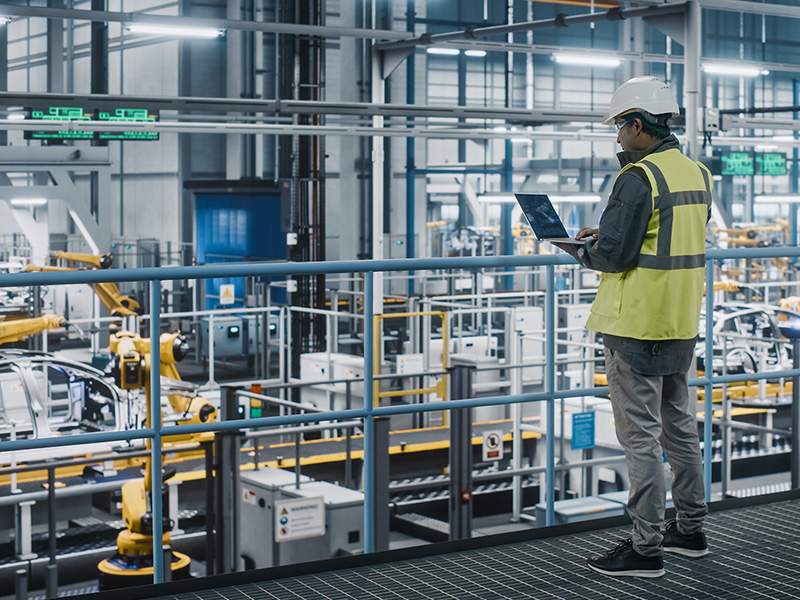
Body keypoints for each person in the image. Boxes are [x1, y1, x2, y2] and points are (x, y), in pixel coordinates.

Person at [554, 75, 712, 578]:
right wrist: (614, 230)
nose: (618, 137)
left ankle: (646, 550)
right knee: (680, 428)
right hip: (680, 319)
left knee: (640, 439)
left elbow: (614, 256)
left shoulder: (636, 177)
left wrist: (583, 248)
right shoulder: (696, 173)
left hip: (637, 323)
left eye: (620, 127)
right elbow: (667, 233)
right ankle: (690, 531)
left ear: (639, 126)